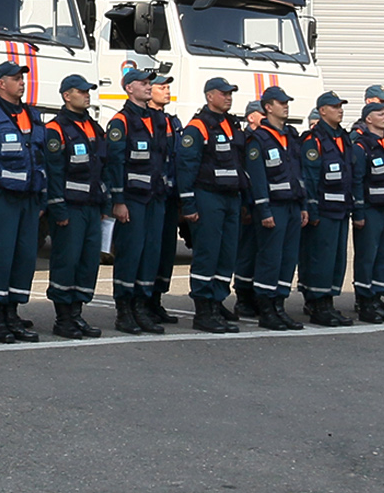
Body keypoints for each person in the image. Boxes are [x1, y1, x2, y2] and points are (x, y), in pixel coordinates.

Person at [0, 59, 59, 343]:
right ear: (1, 84)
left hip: (29, 200)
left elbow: (41, 158)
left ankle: (12, 311)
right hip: (1, 199)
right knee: (0, 256)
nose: (22, 82)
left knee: (23, 258)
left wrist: (42, 196)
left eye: (22, 78)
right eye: (16, 78)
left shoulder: (32, 116)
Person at [105, 64, 181, 328]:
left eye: (150, 82)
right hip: (133, 200)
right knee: (130, 253)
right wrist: (118, 201)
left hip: (156, 198)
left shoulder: (159, 120)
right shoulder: (120, 122)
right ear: (129, 88)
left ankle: (142, 306)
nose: (149, 86)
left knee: (151, 253)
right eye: (143, 82)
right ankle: (124, 310)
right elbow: (114, 164)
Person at [40, 73, 110, 340]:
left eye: (88, 91)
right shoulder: (56, 130)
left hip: (92, 207)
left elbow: (104, 167)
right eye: (81, 91)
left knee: (88, 262)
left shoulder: (93, 127)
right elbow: (53, 172)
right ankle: (63, 318)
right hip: (70, 208)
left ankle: (77, 314)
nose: (87, 94)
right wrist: (57, 208)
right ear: (67, 96)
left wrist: (106, 201)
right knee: (66, 261)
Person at [172, 76, 245, 335]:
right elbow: (186, 167)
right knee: (208, 253)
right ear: (209, 96)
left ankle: (217, 301)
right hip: (208, 197)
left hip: (231, 198)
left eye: (230, 93)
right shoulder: (198, 127)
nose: (228, 97)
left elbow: (240, 164)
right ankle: (203, 309)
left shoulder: (232, 124)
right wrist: (188, 203)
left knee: (227, 254)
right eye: (223, 93)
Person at [240, 85, 307, 329]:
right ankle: (266, 308)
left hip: (291, 206)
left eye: (287, 102)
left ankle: (280, 305)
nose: (286, 105)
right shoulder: (259, 139)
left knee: (288, 258)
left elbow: (298, 173)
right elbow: (257, 180)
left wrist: (303, 205)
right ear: (268, 108)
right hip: (273, 209)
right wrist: (264, 211)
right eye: (281, 102)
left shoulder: (290, 136)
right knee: (270, 257)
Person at [297, 92, 357, 326]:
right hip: (323, 210)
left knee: (336, 260)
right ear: (322, 111)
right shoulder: (314, 140)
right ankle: (317, 304)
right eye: (334, 107)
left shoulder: (343, 137)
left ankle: (328, 302)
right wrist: (311, 209)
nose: (340, 110)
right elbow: (310, 178)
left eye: (341, 106)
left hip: (341, 209)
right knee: (319, 258)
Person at [348, 98, 384, 323]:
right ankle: (365, 301)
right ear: (368, 119)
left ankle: (377, 297)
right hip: (371, 210)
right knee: (367, 257)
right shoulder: (361, 146)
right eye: (380, 113)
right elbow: (357, 180)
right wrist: (359, 212)